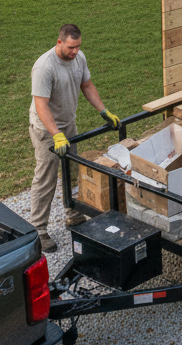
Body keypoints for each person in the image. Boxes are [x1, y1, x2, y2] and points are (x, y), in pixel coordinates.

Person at [28, 23, 119, 254]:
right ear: (59, 42)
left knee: (71, 169)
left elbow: (86, 85)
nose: (75, 52)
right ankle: (37, 230)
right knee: (46, 177)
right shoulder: (44, 67)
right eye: (70, 47)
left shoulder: (79, 58)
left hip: (68, 125)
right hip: (46, 130)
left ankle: (73, 214)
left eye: (78, 47)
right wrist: (56, 135)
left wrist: (103, 111)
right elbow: (41, 105)